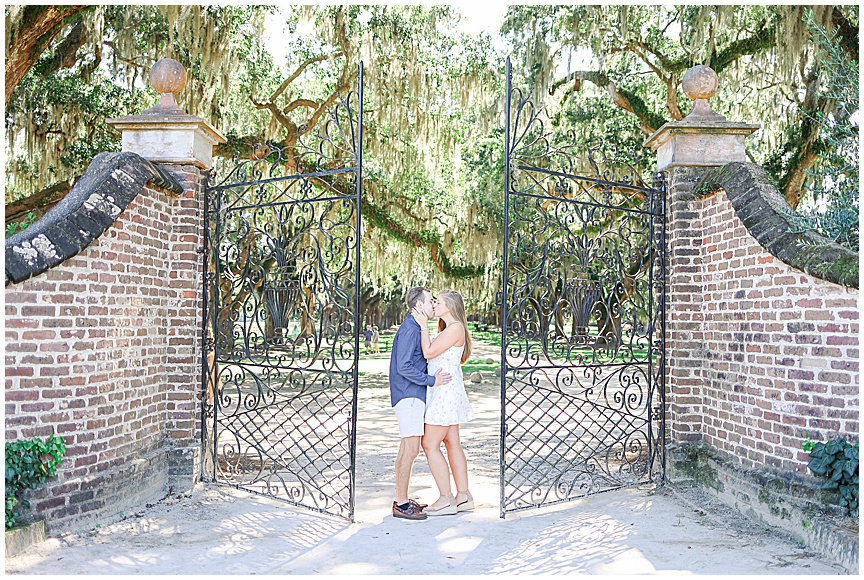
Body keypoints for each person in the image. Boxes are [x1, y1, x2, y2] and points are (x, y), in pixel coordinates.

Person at [411, 289, 475, 516]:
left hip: (445, 392)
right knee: (452, 443)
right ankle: (464, 496)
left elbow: (428, 352)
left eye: (437, 302)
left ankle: (446, 498)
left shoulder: (456, 327)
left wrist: (423, 326)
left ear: (449, 306)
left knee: (429, 445)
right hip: (446, 389)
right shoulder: (450, 328)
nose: (434, 305)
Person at [389, 287, 451, 520]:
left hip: (412, 395)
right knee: (411, 449)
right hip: (409, 396)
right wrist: (431, 380)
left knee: (407, 448)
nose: (433, 304)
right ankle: (401, 505)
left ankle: (401, 499)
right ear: (418, 306)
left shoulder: (416, 327)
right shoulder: (410, 330)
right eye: (430, 301)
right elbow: (404, 366)